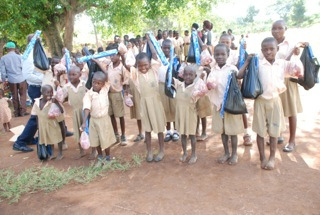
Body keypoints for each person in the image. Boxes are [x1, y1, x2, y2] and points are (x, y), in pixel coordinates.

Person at [238, 37, 303, 170]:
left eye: (271, 49)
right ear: (261, 51)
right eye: (265, 49)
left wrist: (297, 55)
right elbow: (239, 75)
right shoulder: (258, 64)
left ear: (277, 49)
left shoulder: (282, 64)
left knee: (274, 133)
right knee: (260, 133)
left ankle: (272, 158)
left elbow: (297, 71)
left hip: (275, 101)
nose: (268, 52)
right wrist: (247, 61)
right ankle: (262, 158)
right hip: (260, 102)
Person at [122, 35, 166, 162]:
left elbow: (154, 54)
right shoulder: (135, 74)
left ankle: (162, 150)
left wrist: (150, 41)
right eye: (140, 66)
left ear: (150, 64)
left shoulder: (154, 70)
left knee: (158, 128)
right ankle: (150, 151)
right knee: (147, 129)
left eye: (145, 65)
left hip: (156, 102)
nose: (143, 68)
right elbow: (127, 65)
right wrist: (123, 54)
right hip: (144, 104)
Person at [271, 20, 306, 152]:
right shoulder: (269, 42)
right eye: (273, 28)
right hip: (274, 80)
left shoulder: (291, 44)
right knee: (276, 109)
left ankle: (292, 141)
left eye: (279, 28)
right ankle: (278, 135)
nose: (276, 31)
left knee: (291, 111)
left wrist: (295, 52)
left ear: (286, 29)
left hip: (288, 81)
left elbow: (291, 64)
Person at [206, 43, 244, 165]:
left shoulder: (232, 69)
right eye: (217, 54)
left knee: (232, 132)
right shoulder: (213, 70)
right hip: (218, 106)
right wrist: (209, 85)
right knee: (223, 132)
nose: (220, 57)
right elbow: (210, 85)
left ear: (228, 55)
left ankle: (234, 154)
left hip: (231, 106)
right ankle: (226, 152)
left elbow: (238, 85)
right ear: (214, 56)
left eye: (223, 54)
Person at [219, 33, 252, 145]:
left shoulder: (234, 54)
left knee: (240, 108)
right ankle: (228, 133)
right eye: (222, 42)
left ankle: (246, 133)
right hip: (222, 88)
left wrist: (244, 51)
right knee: (225, 109)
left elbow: (239, 67)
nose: (225, 44)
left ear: (231, 43)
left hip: (234, 86)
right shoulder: (217, 53)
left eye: (227, 42)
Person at [172, 65, 207, 164]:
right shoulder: (179, 85)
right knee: (183, 135)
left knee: (192, 136)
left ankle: (193, 154)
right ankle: (184, 153)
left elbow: (204, 91)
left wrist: (203, 77)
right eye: (186, 74)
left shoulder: (196, 89)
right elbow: (170, 79)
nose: (188, 77)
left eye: (190, 75)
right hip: (181, 115)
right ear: (182, 75)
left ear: (195, 76)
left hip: (191, 115)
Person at [81, 72, 116, 166]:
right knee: (96, 140)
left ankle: (108, 157)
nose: (95, 84)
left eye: (98, 83)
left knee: (106, 139)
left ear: (103, 84)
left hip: (104, 120)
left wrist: (97, 61)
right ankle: (100, 156)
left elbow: (107, 75)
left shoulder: (105, 89)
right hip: (94, 120)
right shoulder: (88, 94)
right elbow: (87, 108)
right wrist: (84, 121)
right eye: (93, 82)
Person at [97, 43, 128, 145]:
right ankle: (116, 134)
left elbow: (125, 81)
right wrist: (96, 61)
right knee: (111, 115)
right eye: (110, 55)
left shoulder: (122, 67)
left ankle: (123, 135)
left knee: (120, 115)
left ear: (119, 55)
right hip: (108, 94)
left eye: (114, 55)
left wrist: (127, 94)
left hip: (117, 94)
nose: (112, 57)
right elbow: (105, 73)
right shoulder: (109, 65)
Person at [56, 66, 88, 159]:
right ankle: (81, 150)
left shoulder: (84, 84)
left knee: (89, 130)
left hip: (85, 110)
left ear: (80, 75)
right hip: (75, 112)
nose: (71, 76)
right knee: (78, 131)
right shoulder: (67, 87)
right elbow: (60, 97)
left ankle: (94, 150)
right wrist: (57, 81)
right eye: (69, 75)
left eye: (74, 74)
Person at [31, 85, 65, 160]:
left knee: (58, 138)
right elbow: (36, 115)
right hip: (43, 125)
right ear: (42, 92)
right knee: (49, 139)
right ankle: (52, 154)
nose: (50, 94)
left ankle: (60, 153)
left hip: (53, 124)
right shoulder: (37, 102)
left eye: (51, 92)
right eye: (48, 92)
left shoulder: (53, 102)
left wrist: (57, 103)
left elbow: (61, 111)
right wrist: (38, 126)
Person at [0, 42, 28, 117]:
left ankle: (16, 112)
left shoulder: (3, 58)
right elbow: (24, 68)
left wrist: (3, 80)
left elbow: (3, 72)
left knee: (14, 95)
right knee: (23, 95)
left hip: (11, 79)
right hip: (21, 78)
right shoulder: (19, 57)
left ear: (7, 49)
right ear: (14, 48)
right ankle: (23, 111)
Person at [160, 39, 180, 142]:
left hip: (173, 85)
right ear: (161, 48)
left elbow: (178, 73)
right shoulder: (159, 59)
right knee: (166, 108)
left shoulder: (176, 59)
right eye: (165, 48)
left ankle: (176, 131)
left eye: (169, 48)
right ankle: (168, 131)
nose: (167, 50)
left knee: (174, 107)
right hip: (162, 86)